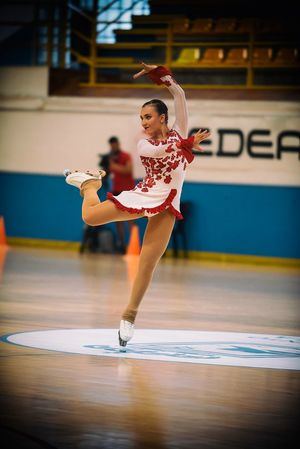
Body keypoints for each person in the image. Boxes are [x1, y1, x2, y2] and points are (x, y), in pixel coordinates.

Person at [64, 62, 210, 350]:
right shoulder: (144, 145)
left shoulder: (179, 132)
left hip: (167, 204)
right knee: (91, 218)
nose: (143, 122)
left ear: (162, 117)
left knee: (147, 265)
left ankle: (129, 316)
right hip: (144, 196)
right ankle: (89, 184)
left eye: (148, 116)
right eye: (141, 118)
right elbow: (160, 150)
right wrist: (187, 143)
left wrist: (161, 74)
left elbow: (179, 95)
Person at [107, 136, 136, 254]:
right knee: (118, 220)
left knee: (130, 219)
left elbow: (128, 170)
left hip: (127, 191)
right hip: (116, 191)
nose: (113, 147)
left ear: (118, 144)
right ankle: (122, 245)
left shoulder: (125, 156)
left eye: (115, 144)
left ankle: (134, 245)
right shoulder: (110, 158)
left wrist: (113, 166)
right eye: (111, 145)